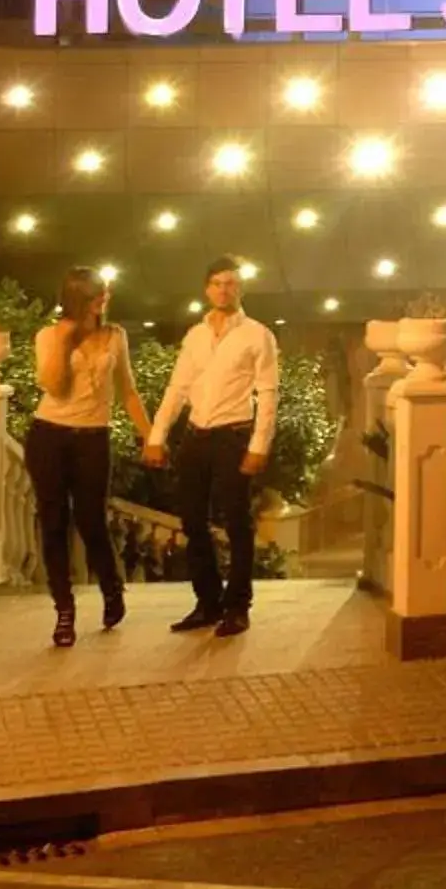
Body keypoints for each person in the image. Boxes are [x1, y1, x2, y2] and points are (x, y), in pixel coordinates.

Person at [142, 258, 281, 638]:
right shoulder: (195, 335)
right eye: (218, 283)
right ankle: (207, 603)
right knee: (191, 521)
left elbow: (268, 393)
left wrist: (259, 445)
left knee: (237, 523)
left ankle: (237, 607)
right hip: (196, 434)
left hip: (234, 435)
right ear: (207, 289)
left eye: (231, 283)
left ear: (241, 289)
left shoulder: (258, 335)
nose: (224, 290)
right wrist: (157, 436)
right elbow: (177, 388)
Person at [26, 267, 147, 647]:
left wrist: (152, 436)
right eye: (96, 293)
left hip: (93, 438)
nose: (104, 298)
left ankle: (112, 589)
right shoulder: (50, 335)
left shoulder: (115, 336)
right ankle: (64, 610)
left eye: (105, 292)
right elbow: (53, 386)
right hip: (49, 435)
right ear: (78, 297)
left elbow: (127, 390)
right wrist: (64, 343)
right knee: (54, 522)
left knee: (92, 519)